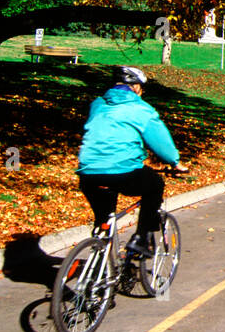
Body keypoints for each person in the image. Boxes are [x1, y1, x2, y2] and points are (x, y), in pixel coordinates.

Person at [77, 66, 188, 238]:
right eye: (142, 89)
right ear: (136, 87)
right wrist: (175, 162)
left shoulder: (97, 104)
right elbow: (161, 142)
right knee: (155, 185)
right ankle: (141, 240)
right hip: (123, 171)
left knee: (104, 218)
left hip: (88, 172)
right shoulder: (141, 108)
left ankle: (99, 248)